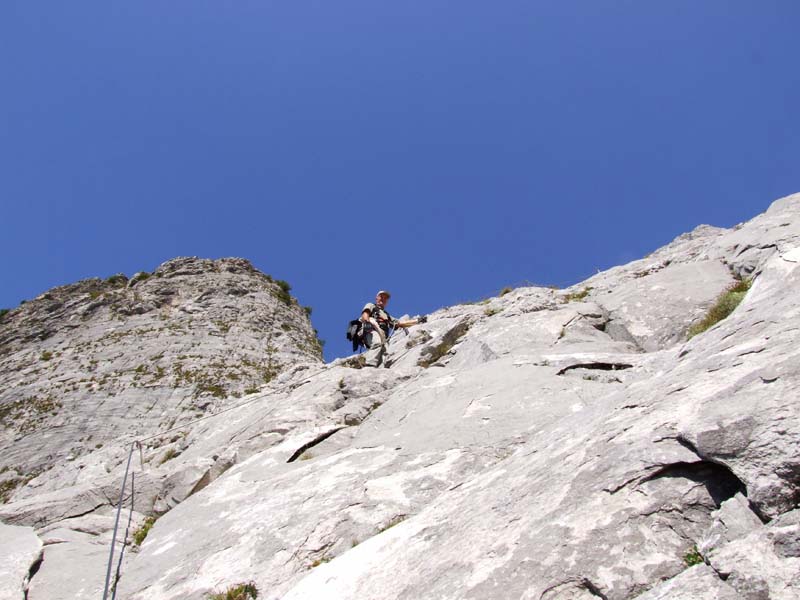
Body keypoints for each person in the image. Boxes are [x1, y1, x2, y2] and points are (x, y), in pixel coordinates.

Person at [360, 290, 426, 367]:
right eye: (381, 297)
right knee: (377, 343)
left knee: (385, 353)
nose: (383, 299)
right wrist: (367, 323)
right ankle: (369, 365)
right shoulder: (371, 305)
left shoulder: (387, 315)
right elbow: (365, 314)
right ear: (376, 298)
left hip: (383, 335)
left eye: (385, 298)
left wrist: (417, 321)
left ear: (386, 302)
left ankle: (378, 369)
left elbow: (399, 324)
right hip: (372, 329)